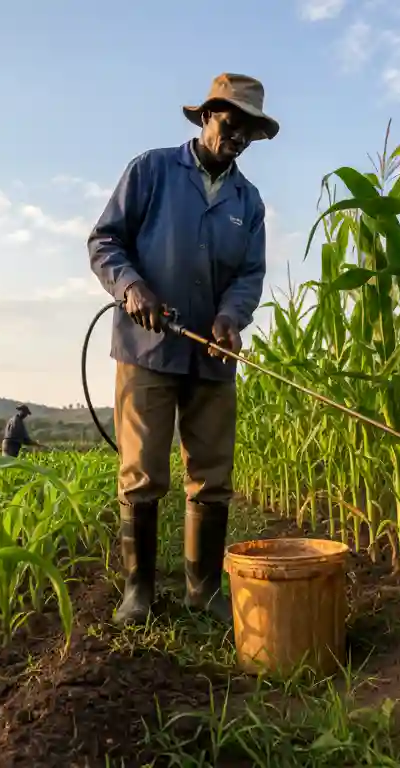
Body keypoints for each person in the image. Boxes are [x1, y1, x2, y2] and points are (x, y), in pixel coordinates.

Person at [88, 73, 275, 625]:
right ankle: (139, 592)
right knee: (143, 472)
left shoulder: (250, 201)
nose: (236, 135)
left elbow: (249, 274)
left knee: (212, 476)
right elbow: (105, 242)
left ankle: (204, 592)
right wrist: (132, 288)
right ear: (205, 117)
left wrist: (229, 318)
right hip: (146, 350)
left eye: (248, 130)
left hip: (211, 357)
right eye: (229, 121)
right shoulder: (150, 171)